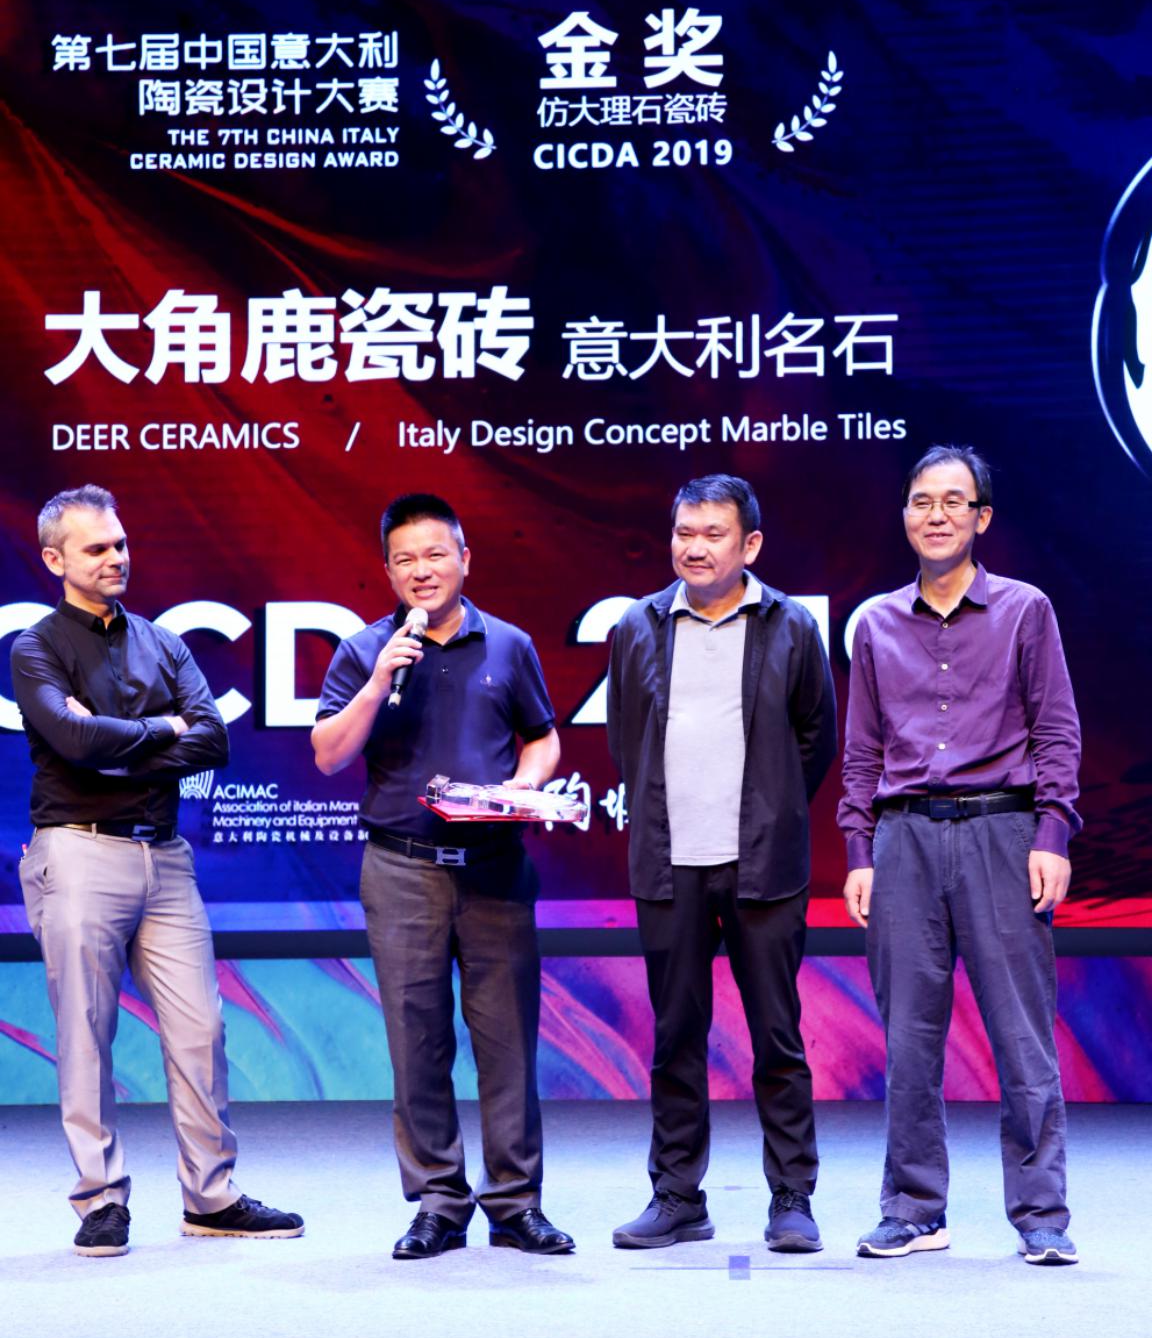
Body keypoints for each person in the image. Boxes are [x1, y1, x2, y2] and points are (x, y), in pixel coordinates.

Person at [12, 485, 303, 1257]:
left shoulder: (164, 642)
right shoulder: (36, 648)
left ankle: (212, 1196)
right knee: (86, 1032)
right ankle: (100, 1200)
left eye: (120, 543)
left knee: (202, 1029)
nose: (116, 557)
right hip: (77, 851)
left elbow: (212, 741)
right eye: (96, 548)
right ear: (55, 560)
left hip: (166, 857)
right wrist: (160, 729)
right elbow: (74, 742)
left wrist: (125, 741)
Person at [311, 492, 573, 1259]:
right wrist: (376, 682)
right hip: (402, 869)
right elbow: (327, 755)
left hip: (494, 867)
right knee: (416, 1041)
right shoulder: (365, 650)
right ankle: (438, 1201)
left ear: (464, 558)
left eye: (435, 554)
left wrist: (522, 785)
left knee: (507, 1042)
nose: (421, 570)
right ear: (388, 571)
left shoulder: (509, 645)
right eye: (405, 560)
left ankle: (516, 1204)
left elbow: (543, 739)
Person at [839, 445, 1081, 1266]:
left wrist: (1052, 835)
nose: (935, 515)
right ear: (904, 514)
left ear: (982, 518)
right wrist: (859, 850)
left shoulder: (1024, 610)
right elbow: (862, 751)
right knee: (909, 1039)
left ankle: (1041, 1214)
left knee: (1022, 1036)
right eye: (921, 500)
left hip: (1002, 834)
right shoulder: (876, 623)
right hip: (903, 838)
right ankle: (914, 1210)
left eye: (954, 501)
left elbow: (1056, 732)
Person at [606, 474, 837, 1252]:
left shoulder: (791, 626)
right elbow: (625, 741)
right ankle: (677, 1196)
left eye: (713, 534)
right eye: (684, 532)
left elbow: (815, 739)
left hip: (763, 865)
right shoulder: (637, 626)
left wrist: (769, 809)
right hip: (669, 862)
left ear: (751, 545)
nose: (695, 548)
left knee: (777, 1037)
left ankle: (792, 1197)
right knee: (675, 1035)